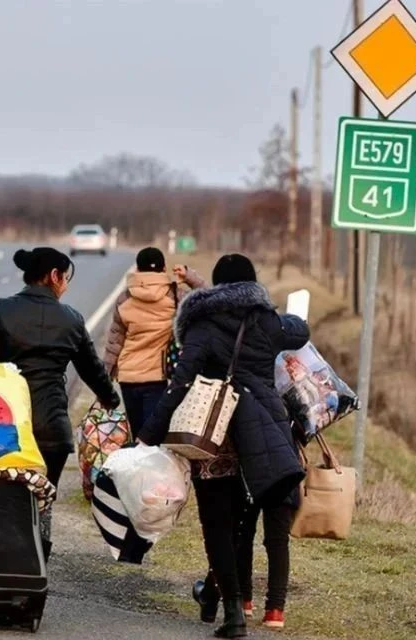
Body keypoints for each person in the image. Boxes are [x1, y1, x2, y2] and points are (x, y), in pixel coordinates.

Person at [139, 254, 309, 637]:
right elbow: (300, 332)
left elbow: (180, 382)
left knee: (218, 524)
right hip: (259, 436)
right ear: (251, 284)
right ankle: (221, 596)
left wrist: (149, 433)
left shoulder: (202, 323)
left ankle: (233, 610)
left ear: (217, 285)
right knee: (242, 523)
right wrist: (281, 312)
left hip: (211, 436)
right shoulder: (267, 321)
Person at [0, 247, 120, 561]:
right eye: (65, 277)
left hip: (5, 425)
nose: (65, 284)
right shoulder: (71, 320)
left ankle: (3, 556)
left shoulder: (0, 310)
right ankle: (37, 557)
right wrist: (110, 399)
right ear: (53, 276)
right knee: (42, 497)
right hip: (52, 430)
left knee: (5, 494)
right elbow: (92, 370)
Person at [102, 247, 204, 438]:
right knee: (153, 437)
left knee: (137, 435)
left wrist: (104, 380)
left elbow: (115, 340)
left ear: (137, 269)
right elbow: (208, 298)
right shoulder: (175, 295)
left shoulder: (125, 298)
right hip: (157, 377)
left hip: (128, 376)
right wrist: (189, 276)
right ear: (163, 268)